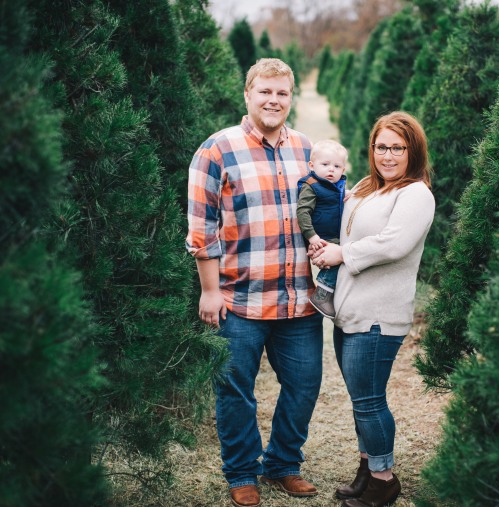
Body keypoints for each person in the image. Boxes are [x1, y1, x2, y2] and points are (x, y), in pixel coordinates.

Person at [186, 58, 323, 507]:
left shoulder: (305, 149)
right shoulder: (217, 149)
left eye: (282, 93)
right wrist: (210, 290)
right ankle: (242, 472)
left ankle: (283, 463)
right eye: (265, 91)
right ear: (248, 94)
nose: (273, 100)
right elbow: (201, 227)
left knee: (303, 385)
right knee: (235, 390)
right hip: (238, 299)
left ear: (291, 97)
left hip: (297, 299)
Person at [310, 111, 435, 507]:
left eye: (398, 148)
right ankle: (367, 469)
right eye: (382, 146)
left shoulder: (415, 194)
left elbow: (392, 244)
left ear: (412, 152)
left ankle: (384, 479)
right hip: (350, 312)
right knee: (360, 398)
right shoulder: (366, 186)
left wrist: (341, 254)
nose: (388, 155)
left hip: (379, 316)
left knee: (370, 400)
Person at [297, 139, 348, 318]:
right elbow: (302, 212)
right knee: (340, 258)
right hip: (321, 235)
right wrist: (312, 237)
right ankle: (323, 293)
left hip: (334, 233)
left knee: (345, 256)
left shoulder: (338, 186)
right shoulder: (311, 185)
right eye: (325, 164)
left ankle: (331, 292)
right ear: (312, 165)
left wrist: (348, 196)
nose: (331, 169)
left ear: (343, 169)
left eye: (337, 166)